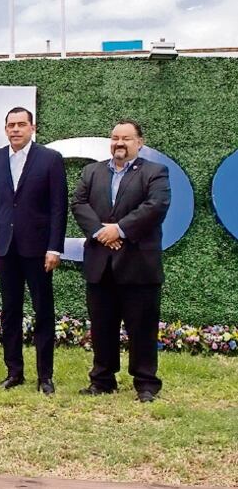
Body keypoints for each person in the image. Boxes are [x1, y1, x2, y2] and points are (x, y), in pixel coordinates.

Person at [72, 120, 170, 403]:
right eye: (115, 138)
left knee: (142, 327)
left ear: (139, 142)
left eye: (126, 138)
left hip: (138, 265)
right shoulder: (92, 171)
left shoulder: (154, 172)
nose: (119, 143)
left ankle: (146, 383)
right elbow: (79, 204)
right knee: (102, 324)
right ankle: (102, 380)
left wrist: (120, 229)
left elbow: (156, 206)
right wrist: (103, 232)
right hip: (100, 263)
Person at [0, 106, 67, 395]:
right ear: (5, 129)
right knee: (10, 311)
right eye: (11, 125)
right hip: (5, 248)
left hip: (38, 249)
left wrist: (55, 247)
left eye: (21, 124)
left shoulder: (50, 159)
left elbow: (58, 207)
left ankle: (45, 376)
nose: (15, 129)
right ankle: (14, 372)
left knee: (43, 311)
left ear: (33, 128)